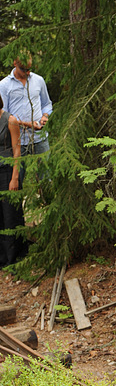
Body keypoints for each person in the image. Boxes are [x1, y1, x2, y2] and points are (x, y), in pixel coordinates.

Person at [0, 54, 52, 168]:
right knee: (17, 179)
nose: (27, 73)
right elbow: (4, 117)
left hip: (39, 138)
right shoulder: (4, 85)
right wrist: (29, 125)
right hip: (17, 142)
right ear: (15, 63)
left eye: (29, 69)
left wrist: (45, 116)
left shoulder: (38, 80)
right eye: (23, 69)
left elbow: (46, 104)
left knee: (45, 176)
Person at [0, 93, 32, 267]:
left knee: (11, 215)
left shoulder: (10, 120)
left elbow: (17, 151)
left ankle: (15, 258)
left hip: (8, 173)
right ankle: (2, 258)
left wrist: (15, 178)